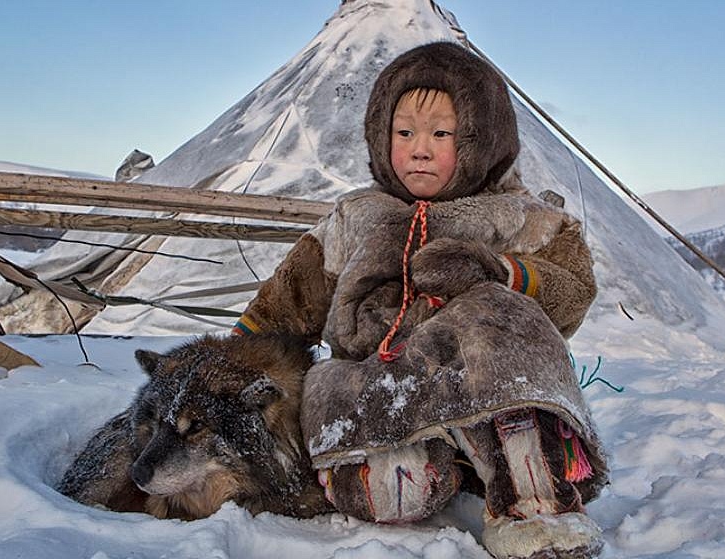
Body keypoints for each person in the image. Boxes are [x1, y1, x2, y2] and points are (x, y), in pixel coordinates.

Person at [233, 41, 608, 559]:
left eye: (442, 134)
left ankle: (534, 501)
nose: (420, 149)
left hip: (488, 382)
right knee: (390, 491)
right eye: (404, 133)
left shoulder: (520, 217)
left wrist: (499, 272)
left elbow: (573, 289)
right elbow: (288, 300)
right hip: (375, 381)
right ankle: (441, 462)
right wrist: (231, 358)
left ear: (483, 140)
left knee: (495, 316)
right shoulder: (355, 218)